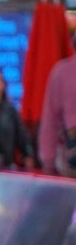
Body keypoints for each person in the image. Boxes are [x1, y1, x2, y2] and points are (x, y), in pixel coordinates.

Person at [0, 67, 38, 171]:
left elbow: (22, 137)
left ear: (3, 85)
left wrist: (28, 156)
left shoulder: (10, 112)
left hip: (4, 163)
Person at [40, 34, 76, 178]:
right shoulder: (61, 72)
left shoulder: (61, 72)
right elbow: (51, 121)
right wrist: (48, 161)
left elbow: (50, 121)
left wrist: (48, 162)